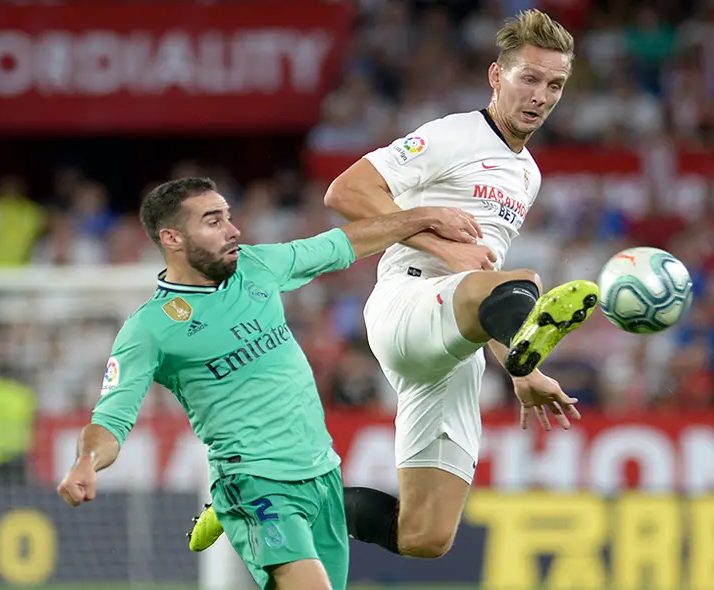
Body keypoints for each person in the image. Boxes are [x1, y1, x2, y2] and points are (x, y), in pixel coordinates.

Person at [189, 8, 600, 559]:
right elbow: (345, 192)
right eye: (529, 78)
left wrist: (515, 368)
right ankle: (526, 351)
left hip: (458, 346)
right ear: (497, 76)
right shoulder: (453, 135)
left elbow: (479, 281)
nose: (541, 95)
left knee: (424, 536)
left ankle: (261, 495)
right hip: (407, 304)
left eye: (555, 84)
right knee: (520, 281)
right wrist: (436, 234)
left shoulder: (528, 172)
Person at [56, 177, 482, 590]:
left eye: (227, 216)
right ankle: (228, 506)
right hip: (255, 482)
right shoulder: (150, 328)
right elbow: (111, 419)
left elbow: (346, 242)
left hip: (322, 475)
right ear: (172, 239)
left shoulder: (256, 267)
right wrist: (86, 462)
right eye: (212, 220)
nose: (232, 229)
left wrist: (424, 216)